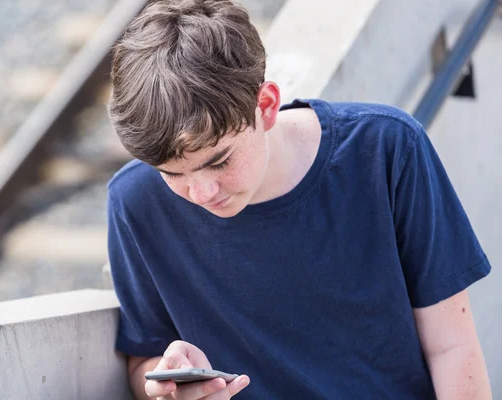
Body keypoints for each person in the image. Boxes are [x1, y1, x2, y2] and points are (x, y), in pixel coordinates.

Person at [105, 0, 492, 399]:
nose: (201, 193)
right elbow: (142, 363)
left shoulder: (387, 150)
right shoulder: (134, 202)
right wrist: (168, 381)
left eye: (219, 161)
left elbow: (452, 348)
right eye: (172, 173)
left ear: (267, 105)